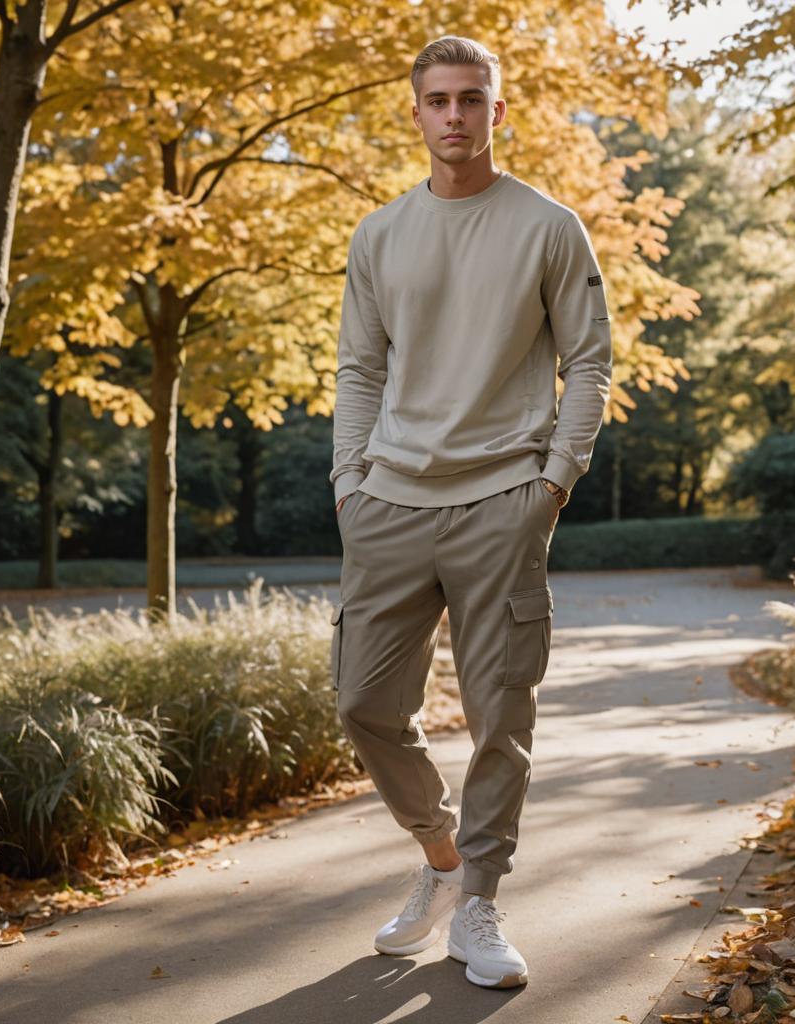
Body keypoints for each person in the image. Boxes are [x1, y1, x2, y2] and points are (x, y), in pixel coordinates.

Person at [328, 34, 612, 989]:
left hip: (504, 499)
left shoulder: (548, 224)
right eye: (438, 100)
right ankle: (443, 858)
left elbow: (590, 363)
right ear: (416, 114)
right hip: (388, 504)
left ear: (500, 111)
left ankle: (480, 902)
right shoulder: (378, 235)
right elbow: (361, 369)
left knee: (501, 716)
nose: (454, 114)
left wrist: (554, 483)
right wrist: (349, 485)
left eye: (471, 98)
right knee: (364, 702)